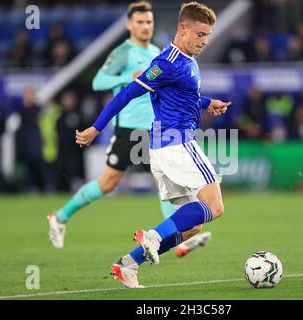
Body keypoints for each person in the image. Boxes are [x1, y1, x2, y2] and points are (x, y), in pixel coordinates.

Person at [76, 2, 231, 288]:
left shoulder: (186, 60)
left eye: (207, 35)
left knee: (192, 225)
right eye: (200, 34)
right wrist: (96, 128)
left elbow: (185, 95)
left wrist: (209, 103)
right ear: (183, 28)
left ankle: (129, 264)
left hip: (162, 149)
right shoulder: (166, 63)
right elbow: (127, 94)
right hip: (178, 144)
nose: (205, 41)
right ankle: (153, 236)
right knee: (215, 206)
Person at [48, 1, 212, 257]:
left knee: (164, 184)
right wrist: (129, 77)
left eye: (149, 22)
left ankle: (173, 238)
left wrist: (207, 103)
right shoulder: (123, 52)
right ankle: (59, 216)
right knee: (107, 184)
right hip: (127, 130)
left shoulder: (159, 52)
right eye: (140, 22)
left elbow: (175, 93)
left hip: (153, 131)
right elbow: (98, 81)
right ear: (129, 25)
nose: (145, 27)